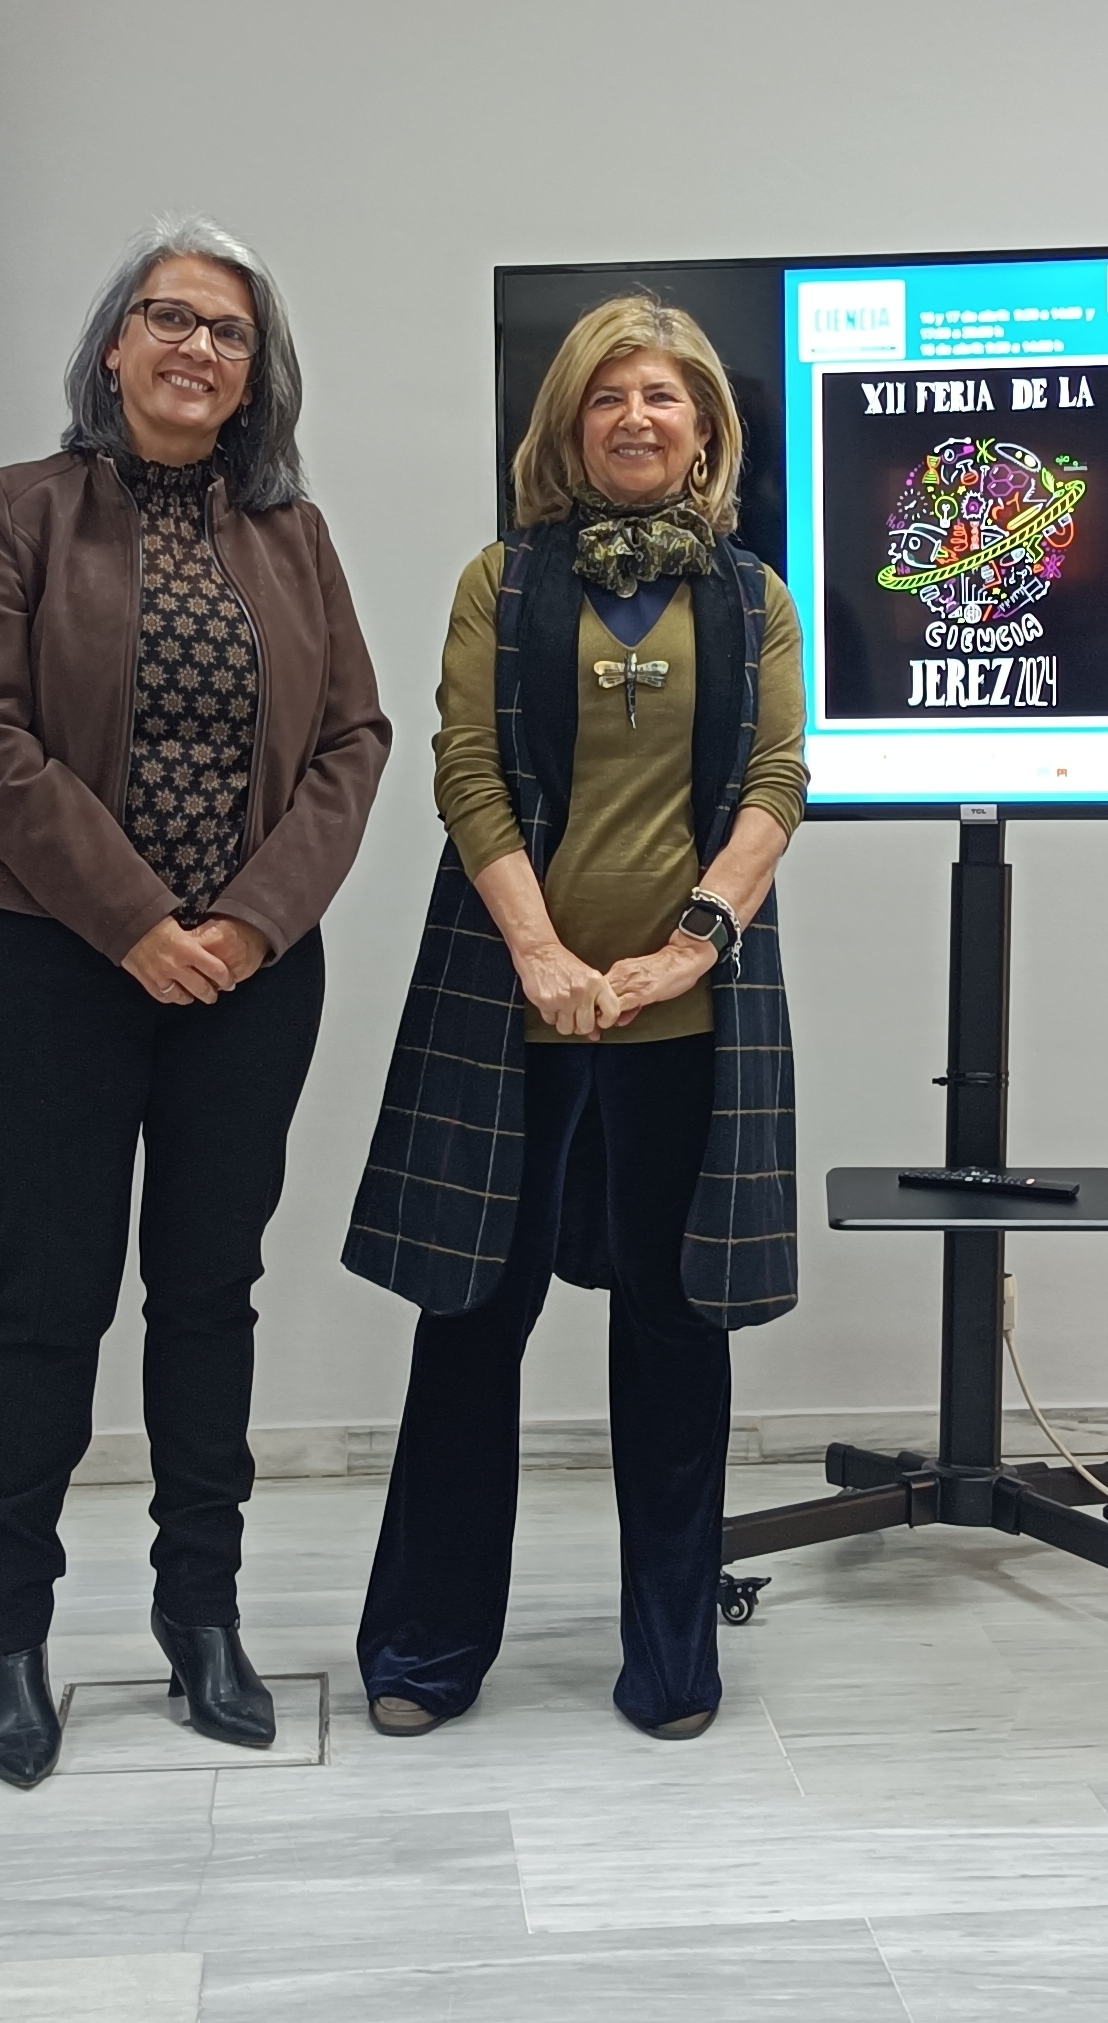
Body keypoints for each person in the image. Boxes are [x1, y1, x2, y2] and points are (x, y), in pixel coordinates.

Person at [0, 218, 389, 1789]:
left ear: (260, 380)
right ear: (113, 349)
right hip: (51, 966)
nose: (197, 349)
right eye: (168, 319)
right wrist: (135, 921)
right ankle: (9, 1637)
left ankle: (202, 1620)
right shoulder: (19, 512)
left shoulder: (299, 537)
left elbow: (355, 745)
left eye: (230, 335)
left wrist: (248, 925)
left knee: (211, 1299)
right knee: (48, 1304)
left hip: (252, 981)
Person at [343, 295, 806, 1742]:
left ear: (706, 430)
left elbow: (776, 787)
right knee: (471, 1326)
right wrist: (541, 955)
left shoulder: (753, 598)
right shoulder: (504, 581)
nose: (637, 420)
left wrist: (689, 948)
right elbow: (467, 772)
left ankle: (672, 1663)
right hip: (510, 1008)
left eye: (665, 397)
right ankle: (423, 1655)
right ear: (567, 424)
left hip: (689, 1018)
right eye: (609, 397)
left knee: (677, 1339)